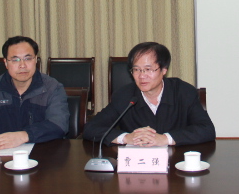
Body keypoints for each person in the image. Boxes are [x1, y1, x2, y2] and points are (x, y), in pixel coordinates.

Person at [84, 42, 215, 146]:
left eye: (148, 69)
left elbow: (206, 129)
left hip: (176, 163)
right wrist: (126, 138)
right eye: (136, 70)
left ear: (164, 70)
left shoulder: (183, 92)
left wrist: (165, 139)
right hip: (137, 164)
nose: (142, 76)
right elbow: (91, 128)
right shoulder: (124, 96)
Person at [0, 36, 69, 148]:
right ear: (6, 63)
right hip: (3, 153)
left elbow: (59, 124)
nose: (22, 65)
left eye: (28, 59)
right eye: (15, 60)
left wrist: (25, 135)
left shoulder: (52, 88)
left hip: (43, 151)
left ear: (35, 60)